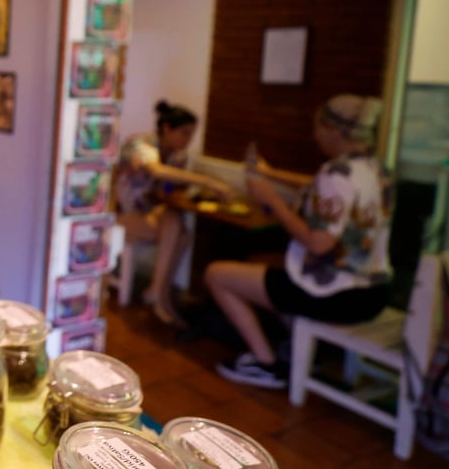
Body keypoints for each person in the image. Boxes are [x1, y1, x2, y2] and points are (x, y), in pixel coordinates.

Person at [206, 94, 391, 389]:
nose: (314, 133)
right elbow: (318, 184)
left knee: (216, 274)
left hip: (335, 295)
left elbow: (319, 244)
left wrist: (272, 200)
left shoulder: (336, 173)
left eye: (317, 126)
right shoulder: (376, 168)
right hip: (374, 292)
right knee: (263, 265)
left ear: (332, 130)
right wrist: (270, 174)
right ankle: (297, 351)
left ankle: (265, 364)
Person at [112, 100, 235, 326]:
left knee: (180, 228)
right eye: (184, 134)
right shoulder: (140, 144)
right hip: (118, 217)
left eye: (191, 135)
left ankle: (159, 292)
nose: (187, 141)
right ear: (167, 128)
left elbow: (168, 190)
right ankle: (159, 294)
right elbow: (157, 172)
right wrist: (209, 181)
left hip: (147, 215)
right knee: (176, 225)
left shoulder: (177, 156)